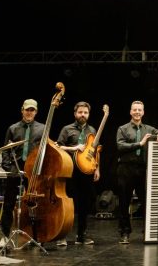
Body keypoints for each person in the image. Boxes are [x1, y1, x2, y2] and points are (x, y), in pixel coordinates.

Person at [115, 100, 158, 244]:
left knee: (146, 201)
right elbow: (120, 146)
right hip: (125, 168)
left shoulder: (149, 129)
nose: (137, 112)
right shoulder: (123, 129)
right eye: (135, 110)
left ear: (143, 112)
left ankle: (148, 232)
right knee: (124, 202)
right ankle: (125, 232)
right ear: (131, 112)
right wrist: (139, 144)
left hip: (143, 169)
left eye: (140, 110)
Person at [0, 99, 45, 247]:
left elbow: (45, 151)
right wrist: (8, 167)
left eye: (32, 110)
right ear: (22, 110)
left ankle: (36, 236)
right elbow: (6, 150)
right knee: (8, 203)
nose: (29, 112)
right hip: (15, 168)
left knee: (35, 204)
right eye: (27, 110)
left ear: (36, 112)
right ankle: (4, 236)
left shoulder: (43, 128)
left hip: (33, 171)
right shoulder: (13, 128)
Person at [57, 101, 100, 245]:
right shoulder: (67, 129)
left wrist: (97, 168)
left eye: (85, 112)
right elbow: (58, 147)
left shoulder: (92, 130)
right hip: (69, 171)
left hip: (87, 172)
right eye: (80, 112)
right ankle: (62, 236)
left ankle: (81, 235)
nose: (83, 115)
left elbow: (94, 151)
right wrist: (74, 148)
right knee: (68, 205)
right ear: (75, 114)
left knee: (84, 204)